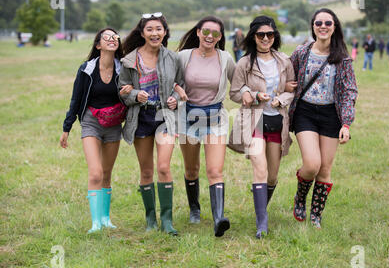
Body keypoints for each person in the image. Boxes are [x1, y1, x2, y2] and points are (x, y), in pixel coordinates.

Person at [287, 8, 358, 229]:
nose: (323, 26)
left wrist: (346, 123)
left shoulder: (343, 58)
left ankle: (316, 214)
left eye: (328, 23)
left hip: (330, 116)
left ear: (334, 27)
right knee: (312, 164)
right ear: (313, 26)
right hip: (305, 112)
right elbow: (287, 73)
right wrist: (287, 84)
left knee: (325, 169)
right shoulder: (301, 52)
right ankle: (300, 198)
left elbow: (349, 91)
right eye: (319, 23)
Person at [229, 16, 296, 239]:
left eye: (269, 34)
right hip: (254, 120)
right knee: (260, 169)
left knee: (273, 176)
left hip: (277, 121)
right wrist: (253, 94)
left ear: (274, 36)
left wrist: (282, 100)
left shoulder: (284, 61)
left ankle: (261, 206)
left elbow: (291, 90)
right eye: (260, 35)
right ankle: (262, 224)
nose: (265, 38)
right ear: (253, 37)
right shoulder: (244, 63)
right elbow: (234, 92)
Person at [118, 13, 184, 235]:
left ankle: (167, 220)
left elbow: (181, 86)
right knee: (146, 171)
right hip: (141, 119)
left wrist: (176, 97)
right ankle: (150, 220)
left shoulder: (173, 58)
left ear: (165, 32)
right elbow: (123, 91)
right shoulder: (129, 59)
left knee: (164, 167)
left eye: (159, 29)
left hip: (164, 117)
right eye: (150, 29)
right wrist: (135, 95)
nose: (155, 33)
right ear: (142, 33)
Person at [60, 28, 124, 233]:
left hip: (114, 124)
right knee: (95, 173)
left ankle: (105, 218)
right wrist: (66, 128)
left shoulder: (123, 69)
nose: (112, 40)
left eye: (115, 37)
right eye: (107, 37)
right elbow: (76, 99)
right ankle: (95, 223)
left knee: (106, 173)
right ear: (98, 45)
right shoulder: (86, 69)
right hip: (91, 122)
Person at [176, 16, 236, 237]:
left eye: (216, 34)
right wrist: (176, 91)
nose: (210, 36)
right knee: (192, 169)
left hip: (216, 118)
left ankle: (219, 218)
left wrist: (251, 92)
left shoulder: (225, 58)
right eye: (206, 32)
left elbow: (238, 81)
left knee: (214, 170)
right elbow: (169, 79)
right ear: (199, 32)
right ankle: (194, 209)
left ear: (220, 37)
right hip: (187, 117)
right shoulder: (183, 57)